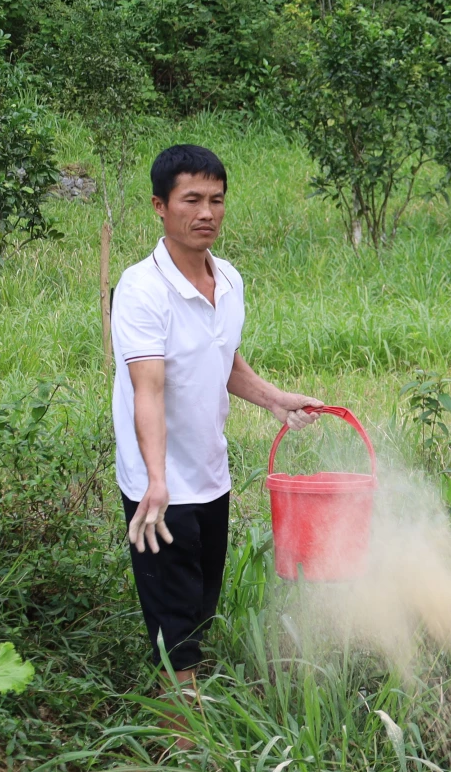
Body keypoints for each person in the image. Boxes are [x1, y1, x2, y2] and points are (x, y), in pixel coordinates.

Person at [111, 144, 323, 687]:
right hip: (159, 489)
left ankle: (185, 713)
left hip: (210, 474)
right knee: (174, 625)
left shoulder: (227, 279)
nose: (206, 213)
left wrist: (275, 399)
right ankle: (184, 747)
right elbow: (148, 390)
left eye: (216, 200)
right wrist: (156, 482)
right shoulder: (141, 290)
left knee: (199, 607)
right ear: (160, 206)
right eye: (191, 200)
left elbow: (220, 357)